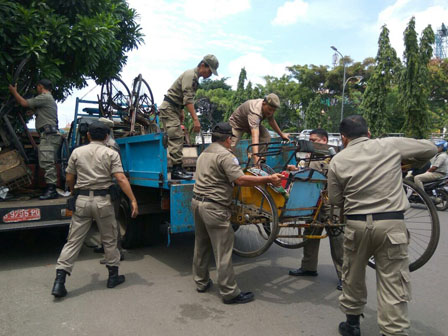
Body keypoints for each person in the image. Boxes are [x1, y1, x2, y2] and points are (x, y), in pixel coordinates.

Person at [327, 115, 437, 336]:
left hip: (356, 226)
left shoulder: (337, 160)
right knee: (393, 281)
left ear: (343, 138)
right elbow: (431, 148)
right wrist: (407, 163)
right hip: (391, 225)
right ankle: (393, 332)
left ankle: (352, 326)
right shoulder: (389, 144)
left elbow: (336, 201)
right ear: (368, 133)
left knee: (352, 275)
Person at [192, 122, 283, 304]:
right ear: (228, 139)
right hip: (214, 207)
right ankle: (229, 292)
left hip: (197, 203)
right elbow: (240, 179)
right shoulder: (225, 156)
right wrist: (268, 179)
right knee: (223, 249)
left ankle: (201, 282)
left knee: (202, 245)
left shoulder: (204, 153)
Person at [51, 121, 139, 298]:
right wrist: (133, 200)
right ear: (107, 136)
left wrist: (75, 191)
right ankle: (112, 277)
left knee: (73, 240)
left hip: (82, 201)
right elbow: (120, 178)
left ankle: (60, 281)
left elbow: (69, 177)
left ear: (88, 135)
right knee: (110, 238)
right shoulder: (110, 153)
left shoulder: (77, 152)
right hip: (103, 201)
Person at [289, 129, 344, 291]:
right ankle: (308, 267)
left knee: (337, 239)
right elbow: (306, 173)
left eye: (315, 140)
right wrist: (296, 170)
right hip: (312, 201)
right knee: (311, 234)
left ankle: (344, 276)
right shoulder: (310, 156)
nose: (312, 142)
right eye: (311, 139)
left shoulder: (334, 155)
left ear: (324, 140)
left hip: (330, 202)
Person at [159, 54, 219, 180]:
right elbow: (188, 99)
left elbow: (181, 96)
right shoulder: (190, 75)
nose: (210, 74)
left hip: (175, 107)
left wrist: (181, 110)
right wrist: (195, 119)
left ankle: (178, 168)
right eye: (210, 70)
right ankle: (176, 170)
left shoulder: (195, 77)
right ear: (203, 65)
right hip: (169, 107)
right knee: (176, 136)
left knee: (178, 135)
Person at [9, 79, 61, 200]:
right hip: (48, 134)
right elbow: (29, 110)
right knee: (45, 161)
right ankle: (50, 188)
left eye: (37, 87)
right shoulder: (47, 99)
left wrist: (14, 92)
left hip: (49, 135)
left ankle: (51, 189)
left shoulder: (45, 97)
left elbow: (24, 103)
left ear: (40, 86)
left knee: (47, 162)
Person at [228, 94, 289, 165]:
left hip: (251, 123)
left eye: (273, 110)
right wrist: (255, 157)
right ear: (264, 103)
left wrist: (281, 135)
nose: (271, 112)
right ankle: (227, 167)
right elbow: (255, 135)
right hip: (237, 124)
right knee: (231, 145)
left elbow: (271, 121)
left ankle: (260, 161)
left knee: (266, 137)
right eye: (270, 109)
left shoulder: (268, 108)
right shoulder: (255, 112)